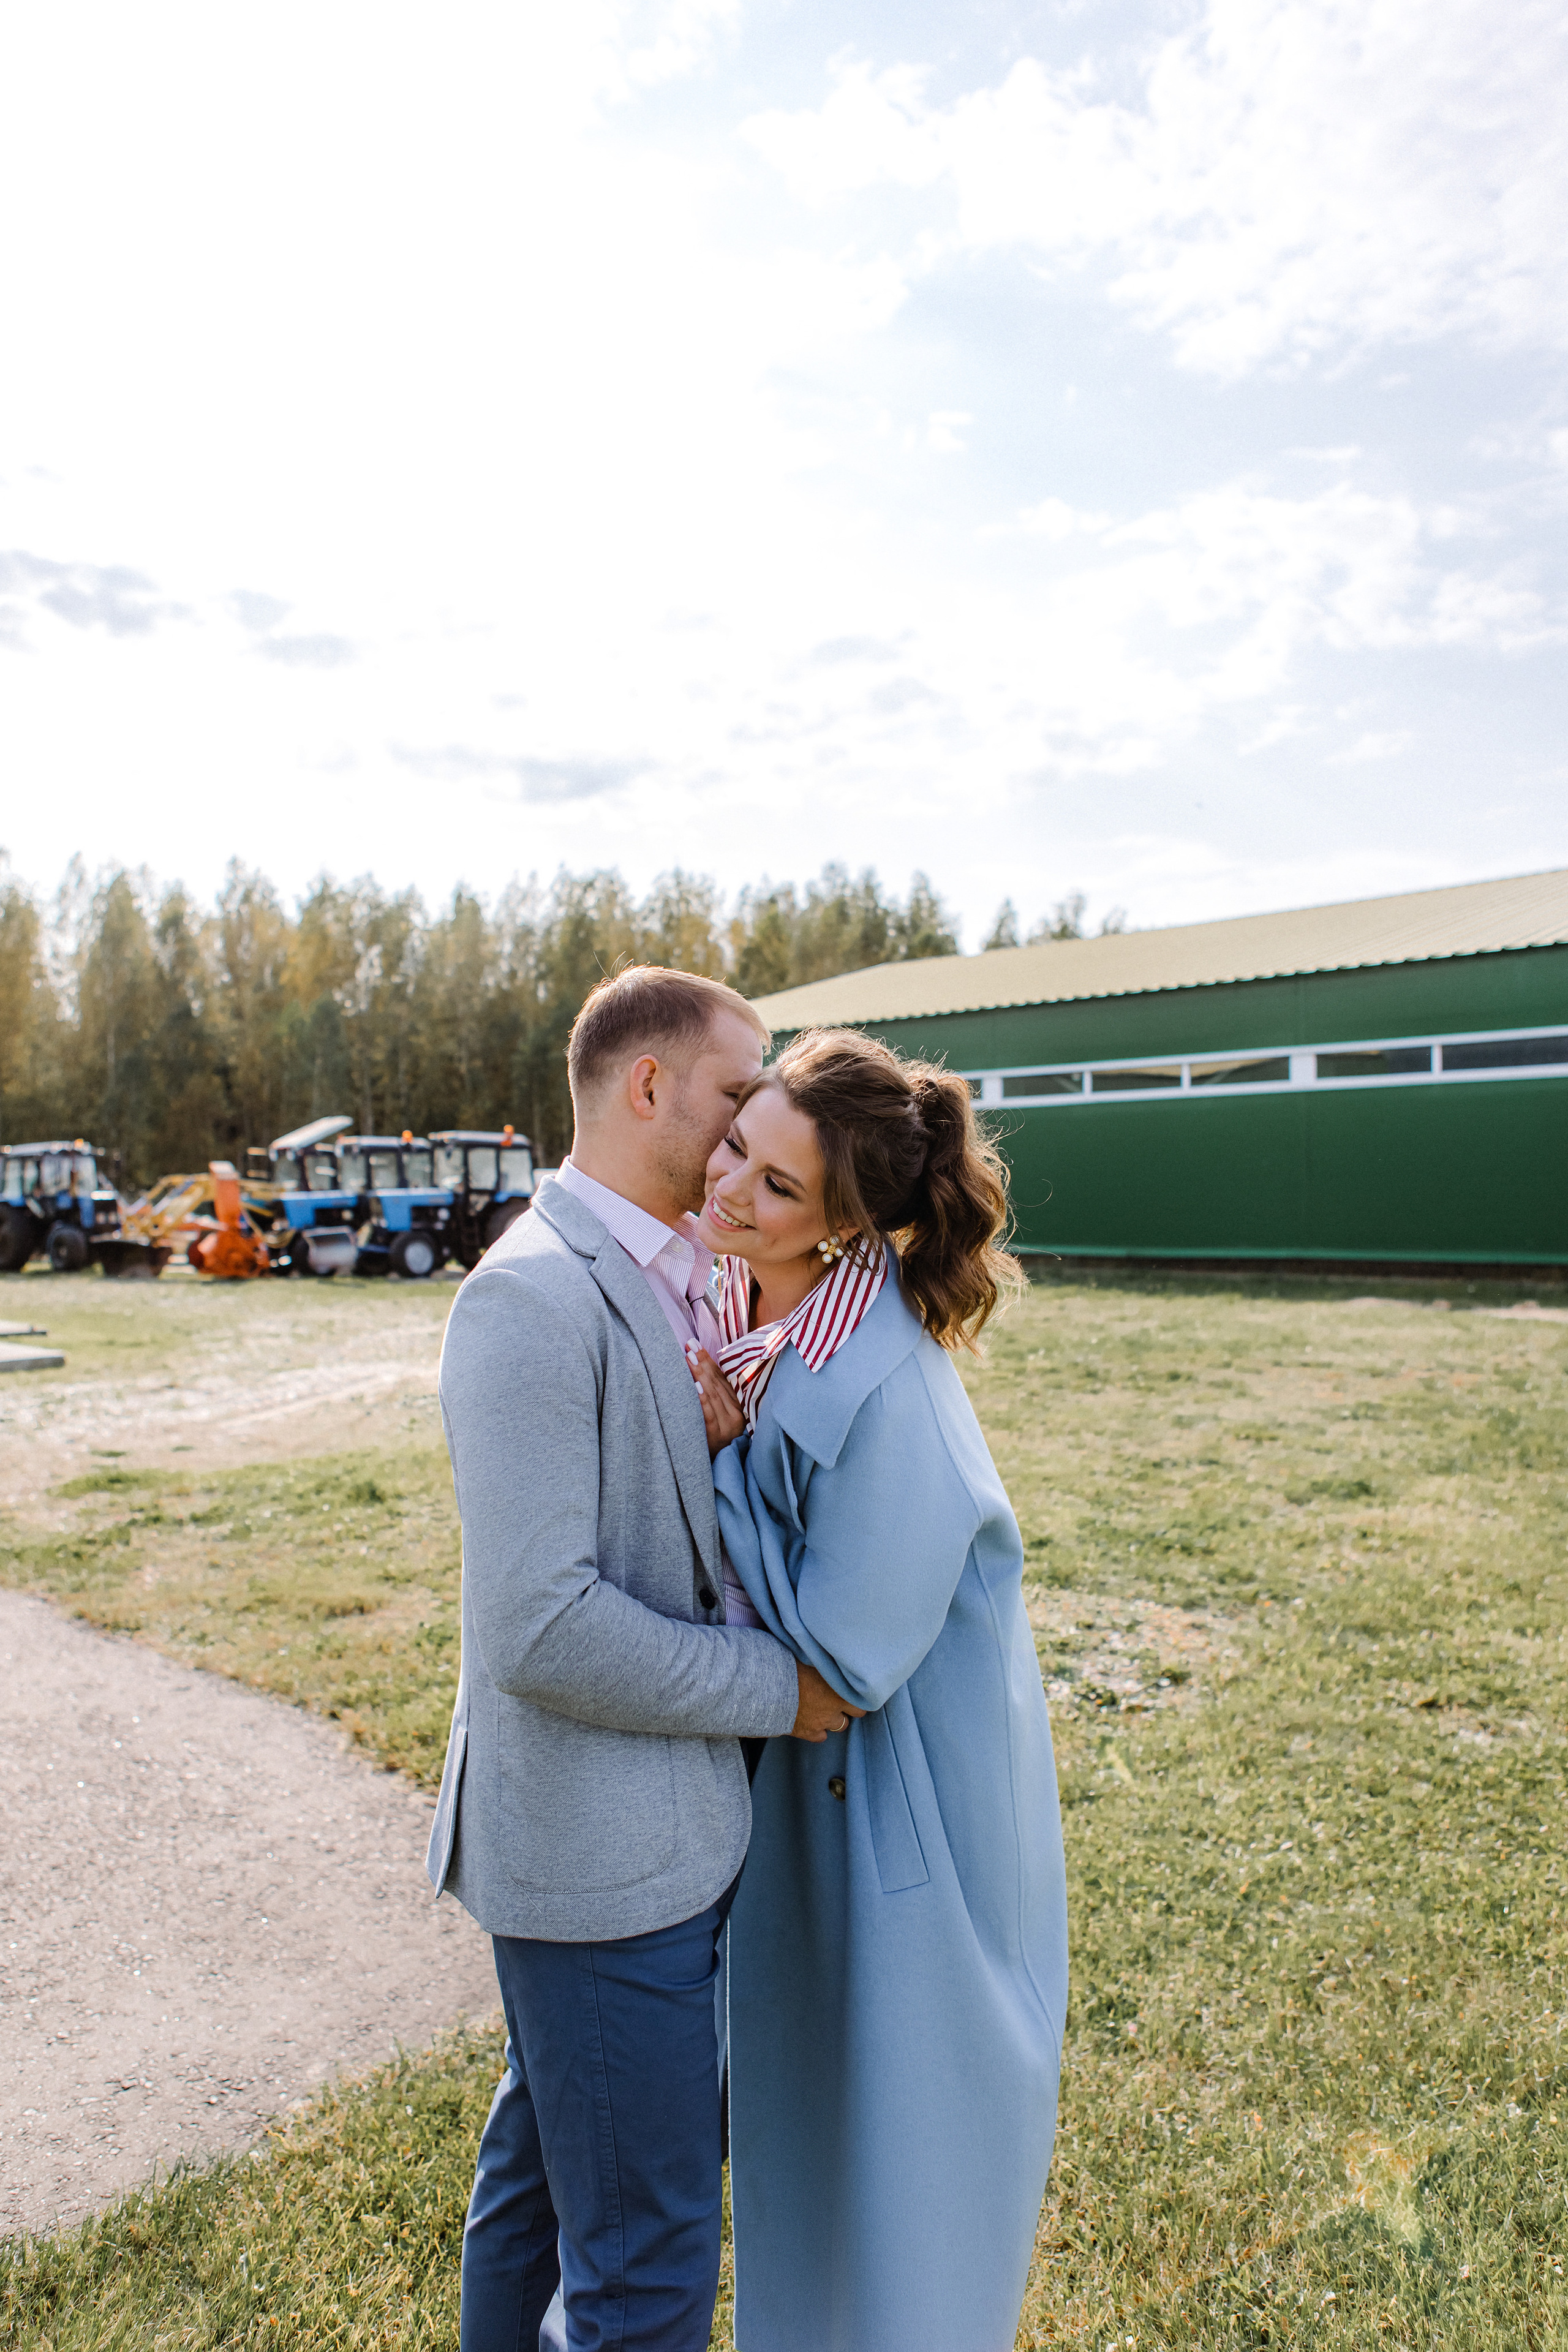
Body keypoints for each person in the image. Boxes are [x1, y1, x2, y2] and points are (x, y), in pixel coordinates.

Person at [427, 967, 858, 2352]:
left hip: (642, 1844)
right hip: (601, 1864)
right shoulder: (532, 1299)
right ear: (649, 1086)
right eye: (739, 1100)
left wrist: (711, 1446)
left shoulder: (674, 1274)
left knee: (544, 2198)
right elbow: (539, 1624)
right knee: (649, 2272)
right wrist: (778, 1693)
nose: (753, 1136)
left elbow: (636, 1514)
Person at [687, 1027, 1069, 2352]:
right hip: (828, 1808)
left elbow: (844, 1660)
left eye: (778, 1187)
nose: (733, 1187)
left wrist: (721, 1470)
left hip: (914, 1822)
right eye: (738, 1145)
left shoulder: (886, 1384)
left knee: (907, 2159)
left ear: (845, 1228)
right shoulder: (754, 1309)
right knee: (816, 2130)